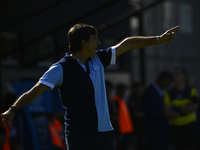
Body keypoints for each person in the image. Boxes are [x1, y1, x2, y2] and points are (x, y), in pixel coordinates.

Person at [1, 23, 179, 150]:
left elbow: (127, 43)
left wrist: (158, 39)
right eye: (95, 39)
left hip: (105, 133)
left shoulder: (99, 59)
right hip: (79, 135)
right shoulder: (61, 68)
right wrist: (13, 108)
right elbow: (36, 90)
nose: (99, 43)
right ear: (84, 43)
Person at [164, 68, 199, 150]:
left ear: (183, 77)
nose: (174, 77)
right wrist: (184, 110)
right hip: (175, 128)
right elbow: (167, 113)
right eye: (173, 75)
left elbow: (193, 108)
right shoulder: (169, 93)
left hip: (189, 127)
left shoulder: (191, 91)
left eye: (176, 74)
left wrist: (176, 109)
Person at [143, 71, 173, 150]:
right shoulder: (151, 91)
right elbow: (151, 110)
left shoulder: (157, 91)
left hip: (159, 130)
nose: (168, 85)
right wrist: (167, 113)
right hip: (155, 131)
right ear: (163, 79)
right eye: (168, 82)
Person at [113, 83, 135, 150]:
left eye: (124, 90)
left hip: (127, 130)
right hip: (120, 130)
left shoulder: (123, 101)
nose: (123, 91)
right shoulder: (114, 101)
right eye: (121, 90)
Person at [127, 82, 147, 150]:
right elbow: (136, 114)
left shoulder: (145, 98)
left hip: (146, 127)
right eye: (137, 89)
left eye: (141, 88)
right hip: (136, 127)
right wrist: (149, 113)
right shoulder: (132, 100)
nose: (140, 90)